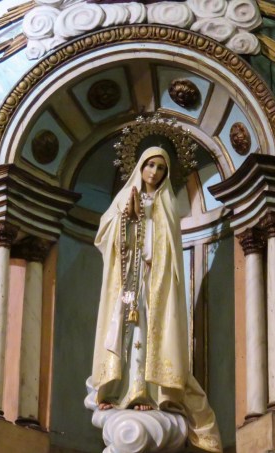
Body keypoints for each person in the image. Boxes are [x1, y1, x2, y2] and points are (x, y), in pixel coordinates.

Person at [89, 146, 222, 452]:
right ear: (140, 166)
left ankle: (146, 394)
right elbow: (104, 236)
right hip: (128, 281)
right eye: (150, 165)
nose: (154, 172)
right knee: (125, 333)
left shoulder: (168, 204)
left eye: (161, 168)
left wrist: (146, 224)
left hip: (154, 283)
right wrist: (128, 218)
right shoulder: (124, 197)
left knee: (148, 334)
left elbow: (169, 249)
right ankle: (116, 392)